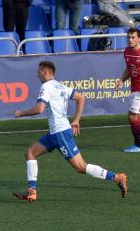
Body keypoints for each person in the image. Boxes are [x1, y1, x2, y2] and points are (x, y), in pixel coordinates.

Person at [13, 61, 128, 202]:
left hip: (60, 133)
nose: (37, 74)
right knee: (30, 153)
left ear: (46, 72)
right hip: (55, 133)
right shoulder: (60, 86)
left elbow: (39, 109)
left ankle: (117, 177)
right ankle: (32, 191)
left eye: (39, 72)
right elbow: (81, 98)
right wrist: (76, 120)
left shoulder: (46, 87)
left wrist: (21, 113)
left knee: (80, 167)